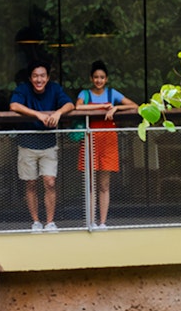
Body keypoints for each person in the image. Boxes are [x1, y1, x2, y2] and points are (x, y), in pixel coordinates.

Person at [10, 61, 74, 232]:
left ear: (47, 77)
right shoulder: (23, 89)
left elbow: (70, 104)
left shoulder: (54, 88)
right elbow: (14, 105)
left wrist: (58, 113)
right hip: (27, 143)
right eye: (36, 76)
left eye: (42, 76)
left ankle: (50, 222)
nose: (39, 79)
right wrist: (38, 114)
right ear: (31, 78)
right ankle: (36, 221)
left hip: (48, 143)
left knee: (50, 181)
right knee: (30, 183)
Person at [75, 60, 137, 229]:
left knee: (104, 184)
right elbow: (77, 108)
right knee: (90, 183)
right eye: (96, 77)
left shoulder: (112, 93)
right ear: (91, 78)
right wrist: (103, 106)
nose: (99, 80)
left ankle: (102, 222)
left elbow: (134, 106)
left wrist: (116, 108)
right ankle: (90, 221)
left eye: (102, 77)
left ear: (106, 79)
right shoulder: (85, 94)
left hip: (108, 139)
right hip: (91, 139)